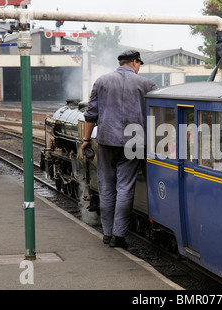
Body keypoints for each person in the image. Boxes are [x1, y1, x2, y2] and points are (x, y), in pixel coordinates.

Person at [81, 50, 157, 248]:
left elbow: (90, 115)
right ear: (134, 62)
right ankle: (119, 236)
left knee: (106, 187)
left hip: (106, 139)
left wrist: (86, 139)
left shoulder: (102, 81)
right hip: (135, 142)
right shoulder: (146, 84)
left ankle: (106, 234)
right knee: (125, 187)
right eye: (139, 64)